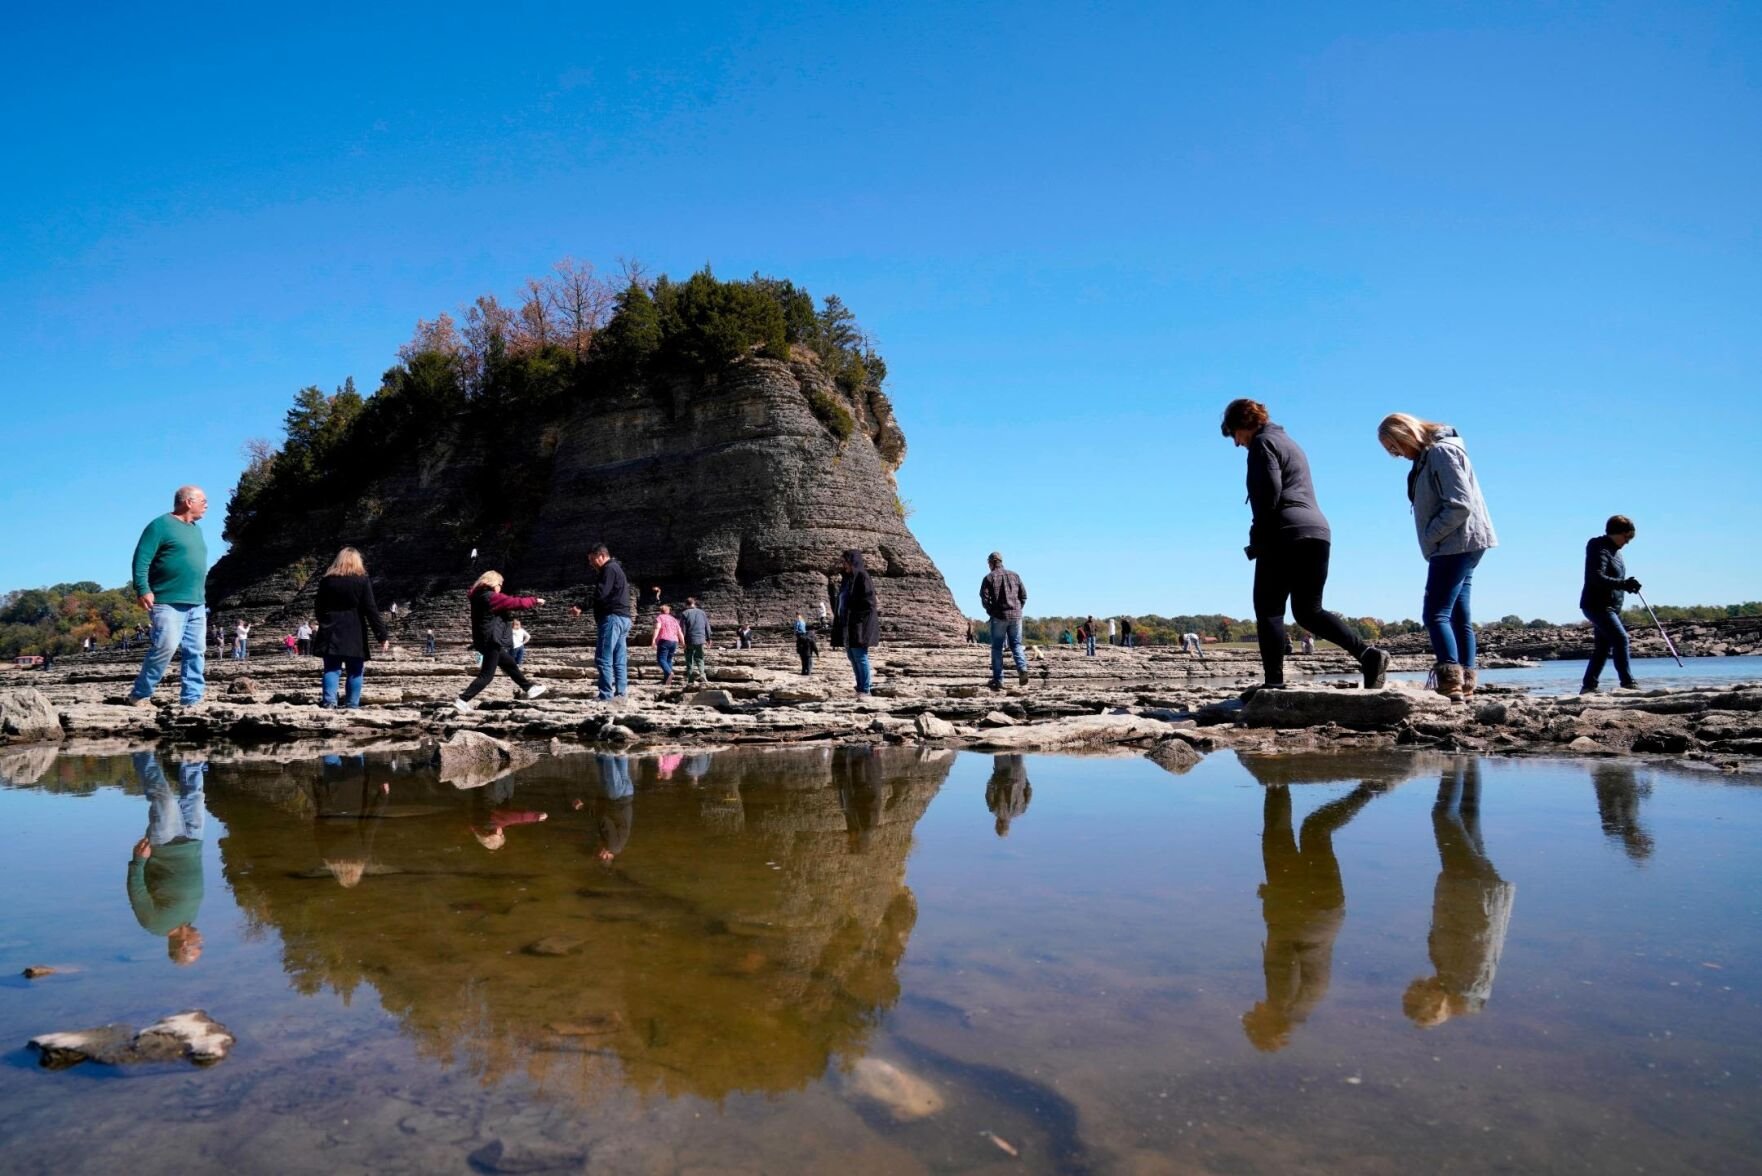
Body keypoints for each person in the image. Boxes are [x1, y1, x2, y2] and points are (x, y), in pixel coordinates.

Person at [1222, 398, 1390, 693]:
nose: (1237, 443)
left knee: (1269, 608)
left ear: (1244, 424)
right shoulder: (1290, 443)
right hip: (1317, 532)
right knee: (1309, 611)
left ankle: (1274, 684)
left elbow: (1269, 495)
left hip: (1285, 533)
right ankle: (1368, 655)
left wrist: (1258, 536)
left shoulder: (1263, 443)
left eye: (1235, 434)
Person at [1242, 774, 1389, 1052]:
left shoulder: (1302, 1009)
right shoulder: (1282, 1000)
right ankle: (1277, 778)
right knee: (1283, 832)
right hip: (1298, 910)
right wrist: (1273, 900)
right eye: (1253, 1016)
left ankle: (1366, 790)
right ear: (1264, 1021)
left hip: (1328, 911)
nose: (1253, 1008)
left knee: (1316, 832)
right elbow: (1286, 954)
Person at [1379, 413, 1499, 703]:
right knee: (1458, 614)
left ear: (1406, 435)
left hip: (1455, 543)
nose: (1397, 455)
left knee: (1435, 613)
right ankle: (1466, 683)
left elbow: (1460, 504)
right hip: (1462, 542)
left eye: (1395, 447)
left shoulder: (1441, 452)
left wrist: (1432, 534)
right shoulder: (1432, 455)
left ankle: (1450, 681)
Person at [1404, 760, 1515, 1029]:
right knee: (1443, 816)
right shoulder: (1462, 981)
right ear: (1434, 1001)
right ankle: (1452, 760)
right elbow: (1474, 931)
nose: (1419, 982)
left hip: (1479, 892)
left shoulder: (1461, 984)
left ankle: (1468, 756)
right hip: (1470, 890)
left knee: (1466, 816)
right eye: (1418, 989)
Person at [125, 485, 210, 707]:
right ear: (188, 502)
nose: (207, 505)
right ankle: (141, 693)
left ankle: (192, 698)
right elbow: (141, 559)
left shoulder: (196, 529)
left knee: (196, 651)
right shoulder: (160, 525)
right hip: (166, 601)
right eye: (203, 500)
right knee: (165, 646)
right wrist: (142, 588)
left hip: (197, 602)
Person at [127, 751, 206, 966]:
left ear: (184, 945)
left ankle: (141, 748)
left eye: (199, 945)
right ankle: (192, 752)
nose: (202, 940)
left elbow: (137, 892)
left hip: (165, 844)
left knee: (164, 798)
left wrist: (138, 861)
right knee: (195, 795)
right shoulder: (189, 919)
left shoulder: (154, 924)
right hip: (193, 841)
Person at [453, 570, 547, 712]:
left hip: (483, 639)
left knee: (510, 664)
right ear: (493, 583)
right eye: (500, 584)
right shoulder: (490, 597)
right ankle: (463, 699)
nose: (500, 587)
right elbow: (514, 602)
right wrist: (535, 601)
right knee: (487, 675)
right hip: (491, 640)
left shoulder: (478, 596)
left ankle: (529, 688)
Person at [311, 546, 391, 709]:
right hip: (355, 630)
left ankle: (329, 703)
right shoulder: (362, 580)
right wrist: (382, 635)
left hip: (331, 628)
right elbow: (371, 609)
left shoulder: (327, 580)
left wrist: (324, 622)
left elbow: (318, 607)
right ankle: (352, 705)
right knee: (355, 670)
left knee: (331, 669)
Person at [1580, 514, 1643, 692]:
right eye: (1627, 537)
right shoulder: (1597, 546)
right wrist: (1623, 584)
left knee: (1603, 647)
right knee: (1621, 639)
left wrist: (1628, 585)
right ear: (1616, 532)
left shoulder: (1617, 553)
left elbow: (1615, 580)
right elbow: (1595, 576)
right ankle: (1628, 683)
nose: (1628, 542)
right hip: (1596, 605)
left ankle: (1589, 686)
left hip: (1611, 607)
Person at [979, 551, 1030, 689]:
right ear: (1001, 561)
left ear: (991, 563)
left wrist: (991, 612)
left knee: (997, 648)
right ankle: (1022, 668)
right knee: (1016, 645)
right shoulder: (1015, 575)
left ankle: (999, 679)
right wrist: (1018, 609)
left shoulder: (989, 578)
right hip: (1016, 616)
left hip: (999, 617)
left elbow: (984, 599)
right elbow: (1024, 596)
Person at [832, 549, 880, 696]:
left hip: (859, 625)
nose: (843, 564)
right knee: (852, 656)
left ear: (852, 561)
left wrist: (856, 616)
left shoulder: (862, 576)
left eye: (845, 561)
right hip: (847, 625)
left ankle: (865, 689)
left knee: (860, 656)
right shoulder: (847, 579)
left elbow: (869, 603)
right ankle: (860, 687)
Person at [589, 543, 632, 701]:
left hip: (612, 618)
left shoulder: (608, 569)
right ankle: (621, 693)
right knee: (619, 659)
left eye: (592, 559)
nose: (591, 563)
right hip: (624, 618)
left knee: (603, 657)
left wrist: (581, 605)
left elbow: (601, 593)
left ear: (601, 555)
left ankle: (605, 695)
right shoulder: (617, 569)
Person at [984, 754, 1032, 837]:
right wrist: (994, 777)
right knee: (1001, 748)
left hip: (1018, 772)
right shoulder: (994, 809)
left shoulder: (1020, 810)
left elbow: (1028, 792)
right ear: (997, 825)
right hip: (1002, 772)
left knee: (1017, 748)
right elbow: (990, 789)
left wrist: (1024, 778)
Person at [679, 597, 712, 686]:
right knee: (700, 658)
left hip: (689, 640)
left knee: (689, 660)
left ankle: (690, 679)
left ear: (686, 604)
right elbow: (707, 627)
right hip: (701, 639)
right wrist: (709, 639)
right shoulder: (702, 613)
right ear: (695, 603)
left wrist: (682, 641)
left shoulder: (685, 613)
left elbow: (682, 629)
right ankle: (702, 674)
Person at [651, 603, 683, 685]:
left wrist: (654, 640)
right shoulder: (674, 619)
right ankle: (666, 680)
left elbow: (657, 628)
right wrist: (683, 642)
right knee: (668, 659)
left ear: (660, 611)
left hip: (664, 640)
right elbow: (679, 632)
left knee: (661, 659)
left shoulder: (660, 617)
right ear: (668, 611)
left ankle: (669, 673)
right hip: (674, 641)